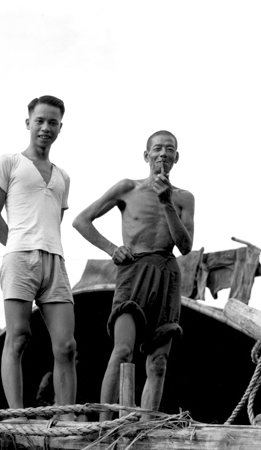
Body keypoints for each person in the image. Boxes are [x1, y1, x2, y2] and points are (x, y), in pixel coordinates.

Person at [73, 130, 195, 421]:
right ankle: (105, 426)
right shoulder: (127, 188)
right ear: (147, 155)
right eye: (157, 149)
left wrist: (166, 202)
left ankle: (143, 427)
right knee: (123, 350)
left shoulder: (183, 198)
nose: (163, 154)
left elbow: (186, 246)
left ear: (176, 158)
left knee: (159, 362)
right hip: (133, 269)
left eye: (169, 149)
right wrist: (111, 248)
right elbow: (81, 220)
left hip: (166, 272)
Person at [0, 95, 77, 419]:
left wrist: (43, 246)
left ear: (60, 128)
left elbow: (54, 223)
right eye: (40, 121)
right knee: (19, 337)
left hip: (56, 261)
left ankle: (66, 418)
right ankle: (17, 416)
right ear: (28, 123)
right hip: (20, 258)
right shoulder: (8, 162)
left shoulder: (63, 176)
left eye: (52, 122)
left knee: (67, 346)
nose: (45, 128)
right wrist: (17, 246)